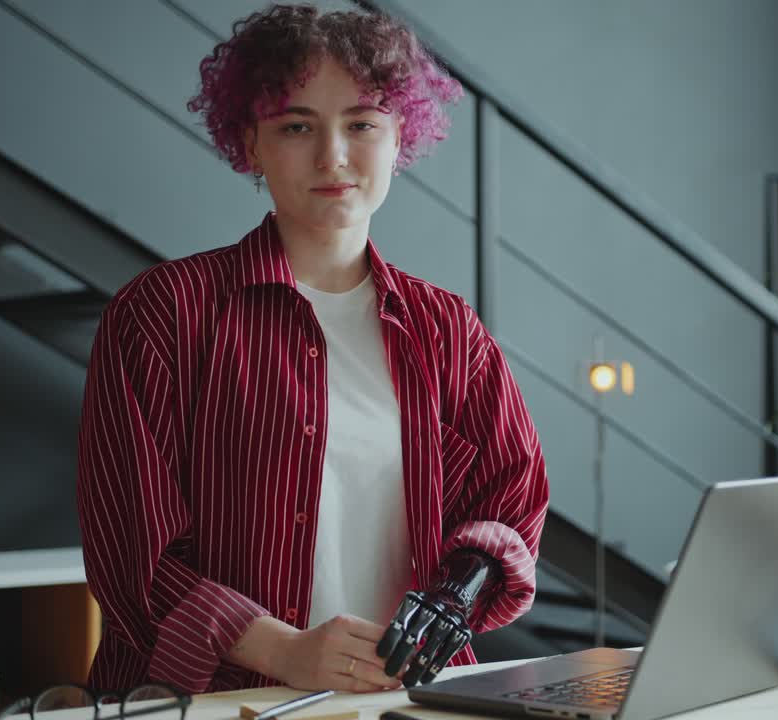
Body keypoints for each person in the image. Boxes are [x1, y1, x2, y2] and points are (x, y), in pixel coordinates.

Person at [76, 3, 549, 695]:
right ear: (250, 142)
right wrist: (285, 651)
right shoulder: (162, 314)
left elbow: (510, 499)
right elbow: (131, 555)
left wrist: (454, 594)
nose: (333, 157)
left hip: (400, 700)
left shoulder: (450, 330)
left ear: (400, 137)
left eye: (361, 124)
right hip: (214, 704)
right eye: (297, 126)